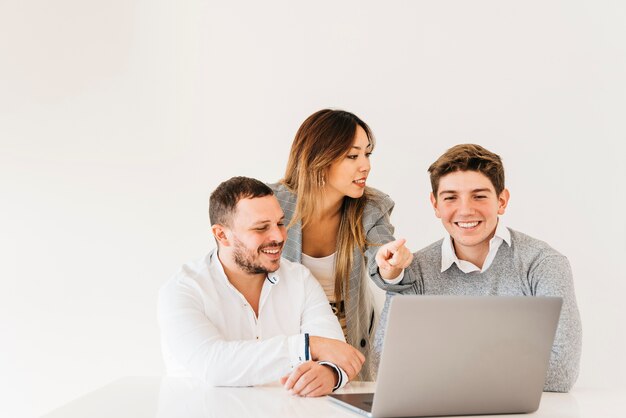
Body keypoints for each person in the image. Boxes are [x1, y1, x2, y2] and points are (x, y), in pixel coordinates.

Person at [375, 144, 582, 392]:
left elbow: (562, 372)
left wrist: (439, 366)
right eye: (451, 197)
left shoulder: (543, 264)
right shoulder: (413, 270)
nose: (465, 210)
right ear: (435, 205)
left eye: (479, 196)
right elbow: (386, 363)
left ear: (502, 201)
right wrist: (513, 362)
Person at [158, 176, 365, 397]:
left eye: (280, 223)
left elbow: (337, 352)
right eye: (261, 228)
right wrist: (307, 347)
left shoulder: (300, 279)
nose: (278, 236)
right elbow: (212, 364)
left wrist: (330, 373)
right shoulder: (183, 289)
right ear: (222, 234)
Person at [271, 109, 413, 380]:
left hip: (345, 349)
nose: (366, 165)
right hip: (287, 344)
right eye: (352, 156)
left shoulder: (371, 207)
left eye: (367, 154)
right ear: (318, 158)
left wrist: (391, 267)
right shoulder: (272, 203)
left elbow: (382, 256)